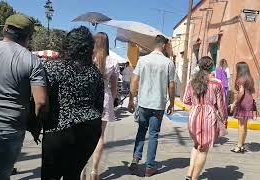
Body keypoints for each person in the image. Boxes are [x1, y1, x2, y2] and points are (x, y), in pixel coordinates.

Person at [0, 14, 47, 179]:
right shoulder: (32, 61)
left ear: (4, 29)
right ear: (29, 36)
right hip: (11, 132)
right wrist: (36, 122)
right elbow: (41, 102)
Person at [41, 26, 104, 180]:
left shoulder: (52, 67)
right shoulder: (95, 73)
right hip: (89, 130)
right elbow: (99, 105)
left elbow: (42, 100)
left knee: (51, 176)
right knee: (73, 174)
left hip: (58, 129)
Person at [128, 35, 175, 177]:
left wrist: (131, 99)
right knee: (153, 135)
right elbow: (171, 85)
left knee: (141, 131)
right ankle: (150, 167)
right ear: (163, 46)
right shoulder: (168, 63)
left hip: (143, 103)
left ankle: (136, 159)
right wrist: (172, 103)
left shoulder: (143, 60)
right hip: (158, 104)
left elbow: (134, 80)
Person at [183, 56, 228, 180]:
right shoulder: (216, 84)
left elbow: (186, 100)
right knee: (203, 149)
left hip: (193, 116)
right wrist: (224, 118)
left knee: (196, 145)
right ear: (211, 67)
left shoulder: (192, 82)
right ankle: (194, 178)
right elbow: (221, 105)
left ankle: (189, 174)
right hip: (208, 117)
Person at [85, 32, 119, 180]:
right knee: (100, 136)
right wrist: (112, 98)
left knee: (84, 135)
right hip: (104, 98)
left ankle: (82, 171)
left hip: (87, 99)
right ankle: (94, 171)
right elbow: (114, 87)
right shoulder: (112, 61)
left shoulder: (88, 58)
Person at [229, 62, 255, 153]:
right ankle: (242, 145)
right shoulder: (250, 78)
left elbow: (241, 92)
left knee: (241, 125)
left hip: (243, 103)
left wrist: (234, 103)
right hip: (249, 101)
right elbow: (252, 91)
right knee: (245, 125)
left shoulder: (240, 79)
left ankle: (238, 146)